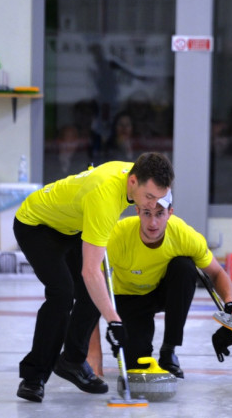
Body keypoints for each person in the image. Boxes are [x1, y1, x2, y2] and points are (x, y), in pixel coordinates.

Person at [13, 152, 174, 403]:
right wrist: (114, 321)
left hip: (70, 224)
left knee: (97, 290)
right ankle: (34, 378)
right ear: (133, 181)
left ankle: (72, 361)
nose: (152, 206)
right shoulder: (105, 198)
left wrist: (110, 315)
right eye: (149, 197)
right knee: (62, 294)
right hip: (36, 224)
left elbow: (93, 275)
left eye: (159, 199)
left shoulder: (137, 175)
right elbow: (89, 271)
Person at [105, 190, 232, 378]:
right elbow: (91, 281)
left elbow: (217, 273)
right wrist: (111, 322)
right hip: (128, 297)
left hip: (162, 291)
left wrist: (231, 305)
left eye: (159, 213)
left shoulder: (183, 234)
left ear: (170, 213)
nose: (153, 223)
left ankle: (169, 350)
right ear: (137, 211)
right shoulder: (118, 235)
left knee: (185, 267)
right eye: (147, 213)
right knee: (136, 366)